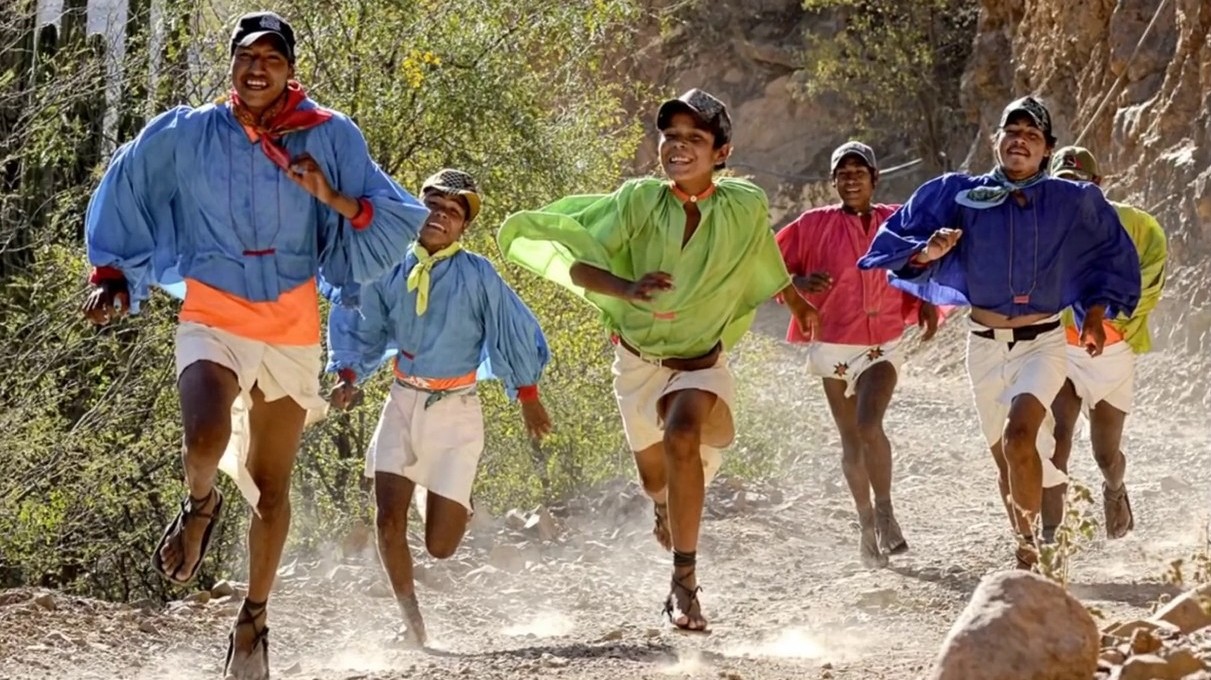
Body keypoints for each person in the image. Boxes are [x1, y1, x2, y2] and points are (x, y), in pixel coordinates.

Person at [81, 11, 427, 678]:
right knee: (203, 439)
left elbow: (388, 213)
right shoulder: (189, 132)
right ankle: (201, 503)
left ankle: (254, 618)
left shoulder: (330, 134)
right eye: (246, 56)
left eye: (271, 57)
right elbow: (128, 184)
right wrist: (112, 276)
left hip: (290, 324)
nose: (257, 67)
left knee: (271, 489)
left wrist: (328, 194)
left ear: (290, 70)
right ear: (232, 65)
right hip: (213, 310)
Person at [496, 88, 818, 631]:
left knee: (682, 435)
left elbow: (762, 256)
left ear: (722, 151)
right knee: (653, 480)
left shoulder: (744, 206)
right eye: (671, 136)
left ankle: (684, 583)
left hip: (701, 364)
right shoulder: (638, 201)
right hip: (637, 364)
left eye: (695, 138)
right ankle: (664, 505)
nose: (679, 146)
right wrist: (626, 288)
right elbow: (578, 266)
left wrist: (795, 299)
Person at [856, 96, 1141, 568]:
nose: (1020, 141)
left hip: (1042, 343)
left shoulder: (1070, 201)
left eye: (1032, 135)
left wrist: (1094, 312)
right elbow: (896, 240)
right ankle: (1034, 537)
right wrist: (928, 251)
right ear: (996, 139)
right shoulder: (959, 195)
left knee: (1018, 437)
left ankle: (1035, 552)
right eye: (1013, 131)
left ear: (1047, 150)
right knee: (1007, 464)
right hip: (984, 347)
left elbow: (1108, 255)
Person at [326, 169, 552, 646]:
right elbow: (363, 323)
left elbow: (512, 329)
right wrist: (348, 375)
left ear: (463, 226)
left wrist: (527, 394)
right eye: (433, 205)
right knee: (388, 519)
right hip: (402, 400)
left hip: (456, 410)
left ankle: (455, 503)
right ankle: (413, 626)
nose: (440, 216)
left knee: (441, 546)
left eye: (453, 211)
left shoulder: (478, 274)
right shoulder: (390, 266)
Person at [776, 141, 940, 568]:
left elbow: (923, 261)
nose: (851, 180)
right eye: (843, 174)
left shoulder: (896, 220)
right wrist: (798, 284)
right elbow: (768, 267)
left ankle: (885, 511)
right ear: (833, 181)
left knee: (869, 424)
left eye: (859, 173)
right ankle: (866, 524)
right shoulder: (812, 225)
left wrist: (925, 301)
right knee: (850, 439)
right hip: (833, 344)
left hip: (882, 343)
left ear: (874, 178)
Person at [1039, 146, 1167, 542]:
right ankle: (1050, 541)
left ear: (1098, 184)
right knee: (1058, 438)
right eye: (1063, 183)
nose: (1072, 191)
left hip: (1111, 354)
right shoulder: (1040, 225)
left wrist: (1109, 315)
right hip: (1060, 348)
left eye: (1080, 183)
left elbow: (1152, 275)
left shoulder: (1135, 224)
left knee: (1105, 454)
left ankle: (1115, 489)